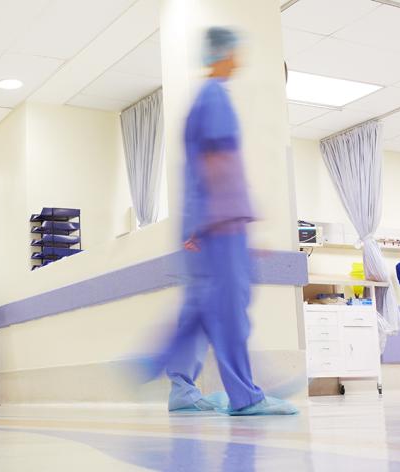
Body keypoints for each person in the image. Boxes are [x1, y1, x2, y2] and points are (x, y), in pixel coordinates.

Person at [147, 27, 297, 416]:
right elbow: (218, 163)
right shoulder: (214, 97)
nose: (239, 59)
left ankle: (177, 381)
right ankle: (245, 396)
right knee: (228, 310)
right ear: (221, 54)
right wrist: (236, 219)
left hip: (209, 223)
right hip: (220, 222)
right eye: (235, 52)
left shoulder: (206, 98)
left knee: (204, 307)